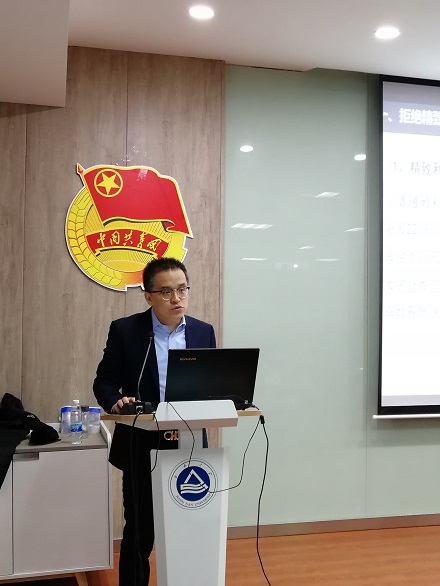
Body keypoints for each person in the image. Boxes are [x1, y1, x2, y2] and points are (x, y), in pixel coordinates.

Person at [93, 257, 216, 586]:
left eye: (182, 289)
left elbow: (211, 386)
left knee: (188, 528)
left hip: (189, 443)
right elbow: (104, 381)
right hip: (141, 442)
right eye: (166, 292)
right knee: (140, 529)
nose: (177, 298)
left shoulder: (203, 332)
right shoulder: (126, 331)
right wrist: (115, 401)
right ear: (148, 296)